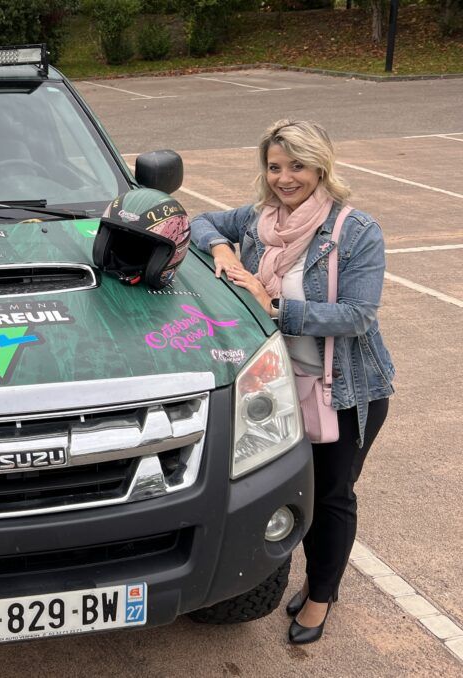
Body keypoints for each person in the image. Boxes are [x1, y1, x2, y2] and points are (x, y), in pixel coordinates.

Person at [189, 119, 395, 645]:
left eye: (297, 165)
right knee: (282, 491)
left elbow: (357, 316)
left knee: (330, 496)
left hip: (344, 391)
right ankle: (309, 578)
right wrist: (225, 252)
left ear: (320, 165)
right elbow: (199, 223)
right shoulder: (260, 219)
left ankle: (322, 594)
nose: (285, 178)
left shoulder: (354, 230)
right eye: (275, 166)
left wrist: (275, 307)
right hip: (274, 385)